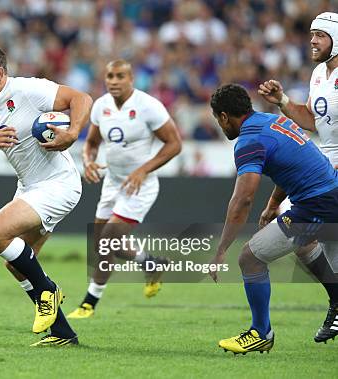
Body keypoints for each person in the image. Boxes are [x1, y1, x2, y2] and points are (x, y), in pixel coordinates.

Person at [0, 43, 92, 346]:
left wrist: (73, 133)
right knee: (16, 263)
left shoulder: (27, 90)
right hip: (29, 186)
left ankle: (47, 289)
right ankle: (64, 333)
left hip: (59, 183)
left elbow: (81, 98)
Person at [208, 84, 338, 354]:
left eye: (219, 121)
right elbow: (291, 165)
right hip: (327, 195)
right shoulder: (273, 119)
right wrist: (273, 204)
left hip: (319, 203)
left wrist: (221, 250)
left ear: (223, 117)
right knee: (304, 245)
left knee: (250, 257)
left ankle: (260, 332)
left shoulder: (248, 140)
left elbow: (242, 199)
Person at [67, 60, 181, 319]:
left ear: (131, 79)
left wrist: (144, 170)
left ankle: (89, 303)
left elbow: (174, 144)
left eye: (120, 76)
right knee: (103, 244)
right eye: (110, 76)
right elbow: (92, 143)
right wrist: (88, 161)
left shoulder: (149, 106)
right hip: (113, 182)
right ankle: (152, 263)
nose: (114, 81)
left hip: (139, 185)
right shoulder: (101, 106)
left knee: (108, 240)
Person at [258, 11, 338, 343]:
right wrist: (283, 102)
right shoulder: (319, 74)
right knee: (319, 246)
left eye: (320, 35)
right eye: (311, 35)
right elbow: (311, 119)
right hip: (326, 163)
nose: (313, 41)